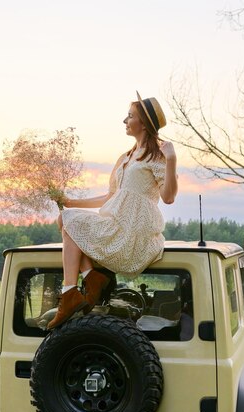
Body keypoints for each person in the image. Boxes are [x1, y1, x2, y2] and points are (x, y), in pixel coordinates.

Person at [47, 92, 178, 330]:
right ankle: (85, 280)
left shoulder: (157, 156)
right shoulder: (126, 157)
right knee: (65, 220)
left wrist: (171, 161)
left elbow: (168, 197)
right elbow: (110, 196)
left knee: (67, 222)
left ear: (144, 124)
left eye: (130, 117)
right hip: (115, 221)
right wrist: (71, 201)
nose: (125, 121)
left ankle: (75, 289)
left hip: (132, 232)